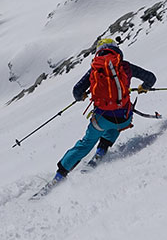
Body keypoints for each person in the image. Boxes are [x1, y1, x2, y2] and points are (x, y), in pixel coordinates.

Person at [53, 38, 156, 181]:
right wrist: (144, 87)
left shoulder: (95, 69)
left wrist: (82, 95)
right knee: (116, 124)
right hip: (124, 119)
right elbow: (151, 78)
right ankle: (102, 150)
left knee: (86, 143)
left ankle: (60, 174)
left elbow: (76, 91)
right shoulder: (126, 66)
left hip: (101, 120)